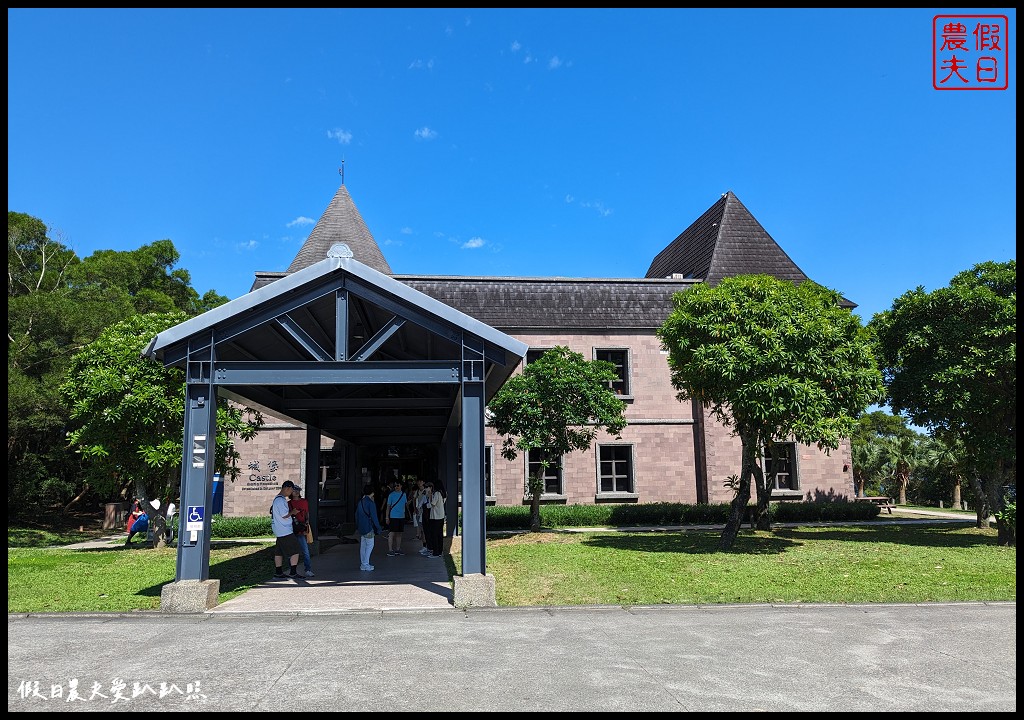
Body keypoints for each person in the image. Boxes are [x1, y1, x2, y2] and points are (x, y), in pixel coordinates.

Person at [271, 480, 301, 580]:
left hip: (278, 530)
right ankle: (293, 572)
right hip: (285, 530)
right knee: (295, 549)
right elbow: (284, 515)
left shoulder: (277, 499)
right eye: (291, 490)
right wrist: (293, 512)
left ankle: (278, 572)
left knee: (279, 552)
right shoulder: (281, 500)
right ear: (287, 488)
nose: (291, 493)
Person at [355, 483, 382, 571]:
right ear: (372, 493)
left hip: (361, 527)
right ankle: (365, 564)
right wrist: (378, 528)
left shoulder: (361, 502)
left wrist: (357, 525)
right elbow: (374, 517)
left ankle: (363, 564)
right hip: (368, 527)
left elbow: (356, 515)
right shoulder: (371, 503)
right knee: (370, 545)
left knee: (363, 546)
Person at [289, 485, 314, 577]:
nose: (297, 492)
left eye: (298, 490)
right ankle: (292, 570)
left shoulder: (304, 501)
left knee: (305, 550)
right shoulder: (289, 503)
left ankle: (308, 569)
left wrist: (307, 522)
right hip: (292, 529)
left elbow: (307, 512)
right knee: (292, 551)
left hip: (301, 528)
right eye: (294, 491)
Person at [384, 479, 408, 557]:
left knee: (399, 533)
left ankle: (398, 548)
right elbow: (388, 506)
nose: (396, 487)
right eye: (395, 486)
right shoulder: (391, 495)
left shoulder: (404, 495)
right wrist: (387, 517)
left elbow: (405, 504)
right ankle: (390, 550)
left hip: (401, 516)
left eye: (398, 485)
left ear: (401, 486)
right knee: (392, 533)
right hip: (393, 516)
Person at [424, 481, 446, 558]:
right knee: (439, 535)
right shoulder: (443, 494)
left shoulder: (436, 494)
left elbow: (432, 504)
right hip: (440, 516)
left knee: (434, 535)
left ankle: (436, 552)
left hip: (436, 517)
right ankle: (439, 551)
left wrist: (429, 496)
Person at [411, 478, 427, 553]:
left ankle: (427, 546)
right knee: (421, 530)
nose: (419, 482)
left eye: (420, 481)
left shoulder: (426, 491)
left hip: (425, 513)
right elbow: (414, 500)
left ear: (423, 482)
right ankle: (424, 546)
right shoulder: (417, 492)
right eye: (418, 481)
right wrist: (414, 509)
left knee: (425, 530)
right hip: (419, 512)